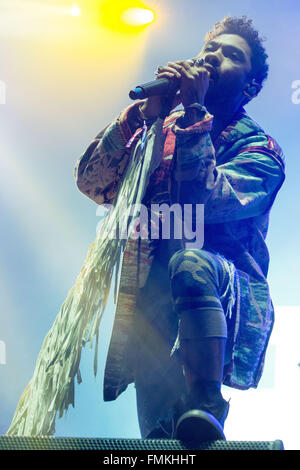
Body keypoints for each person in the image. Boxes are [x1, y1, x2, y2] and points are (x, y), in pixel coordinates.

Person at [6, 15, 285, 441]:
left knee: (191, 264)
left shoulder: (259, 149)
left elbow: (204, 201)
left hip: (219, 292)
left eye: (232, 55)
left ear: (250, 86)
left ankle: (207, 399)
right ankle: (189, 423)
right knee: (162, 444)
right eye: (211, 48)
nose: (213, 56)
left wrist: (193, 110)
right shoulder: (162, 132)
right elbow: (92, 181)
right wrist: (142, 116)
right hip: (151, 309)